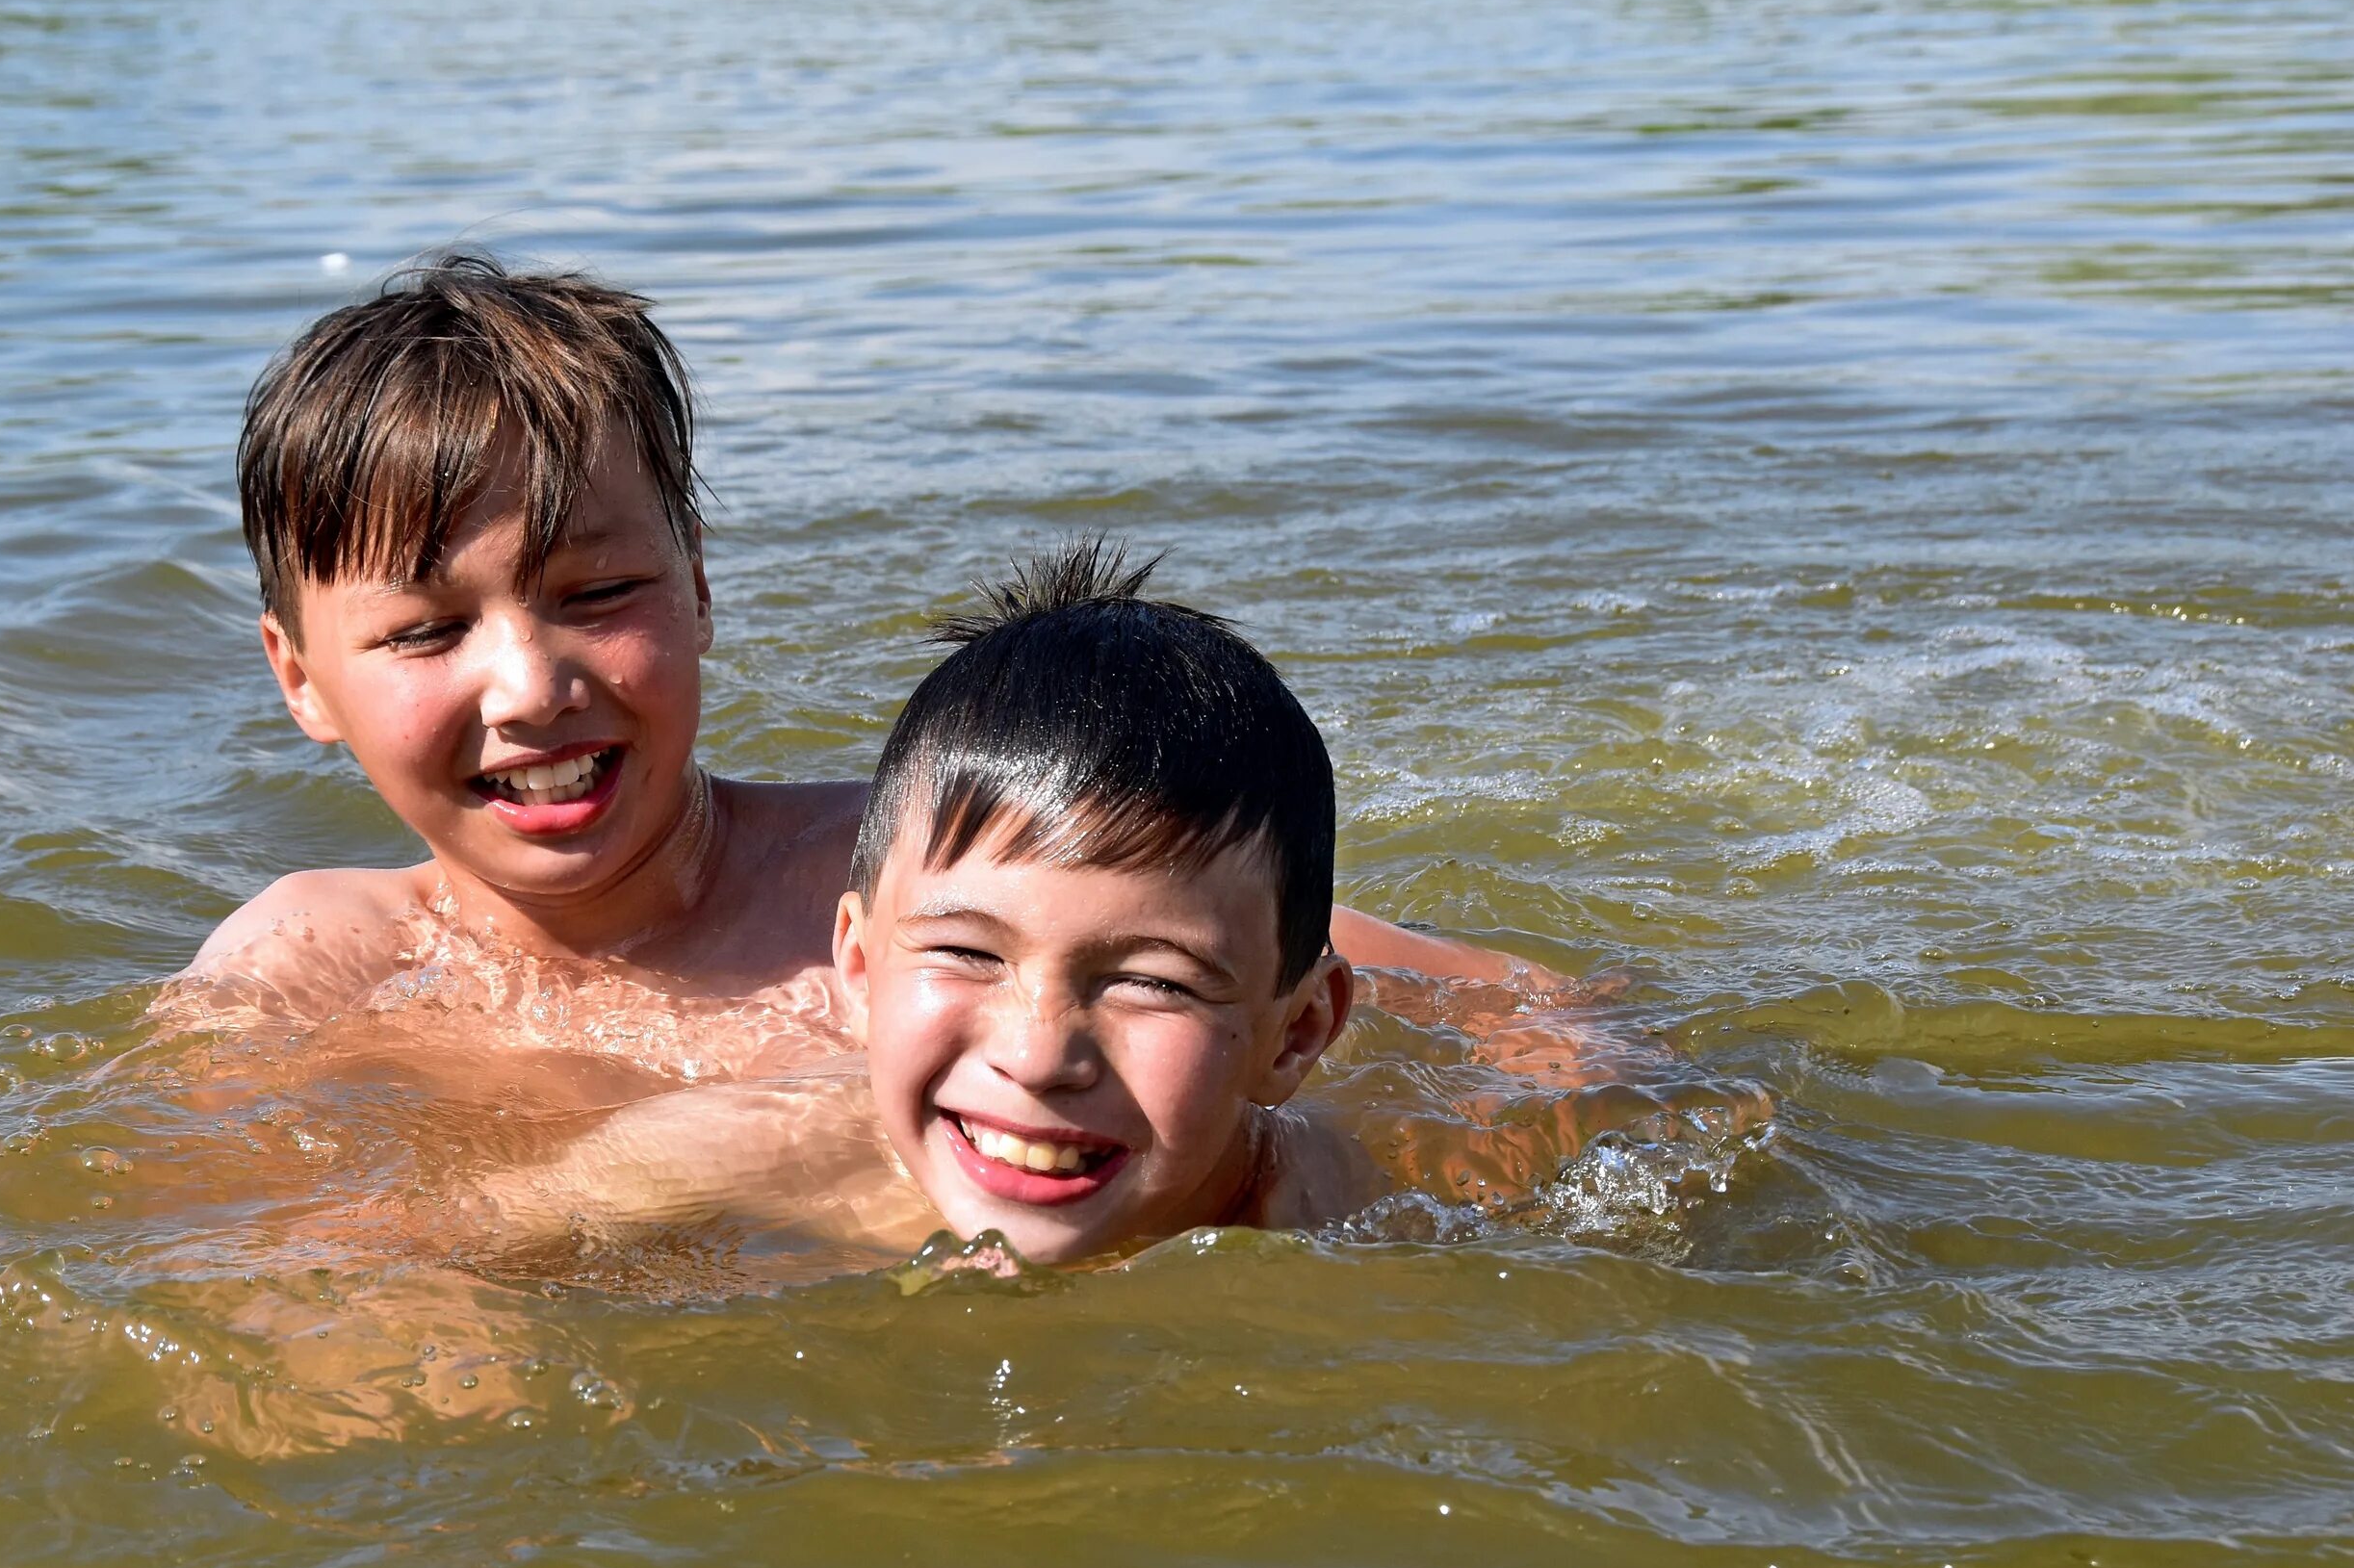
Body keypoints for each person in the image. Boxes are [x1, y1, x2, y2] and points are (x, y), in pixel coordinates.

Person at [172, 253, 1576, 1088]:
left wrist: (1581, 1084)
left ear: (703, 590)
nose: (532, 684)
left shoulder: (897, 866)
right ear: (300, 680)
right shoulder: (310, 970)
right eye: (428, 631)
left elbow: (1470, 996)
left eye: (599, 594)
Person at [447, 544, 1739, 1271]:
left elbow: (1666, 1149)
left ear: (1296, 1036)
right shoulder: (742, 1158)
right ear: (853, 965)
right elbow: (439, 1257)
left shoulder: (1374, 1208)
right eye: (964, 952)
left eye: (1153, 981)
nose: (1037, 1051)